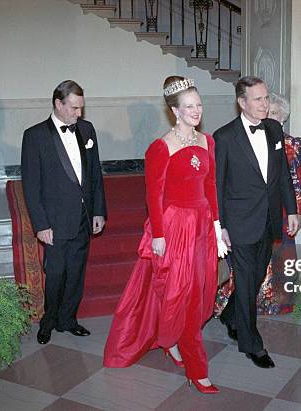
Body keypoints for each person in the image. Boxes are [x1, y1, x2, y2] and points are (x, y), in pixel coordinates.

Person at [103, 76, 227, 395]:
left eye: (199, 104)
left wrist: (217, 229)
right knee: (183, 296)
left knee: (200, 294)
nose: (196, 111)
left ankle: (170, 339)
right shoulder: (161, 147)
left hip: (202, 227)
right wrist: (158, 234)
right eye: (188, 106)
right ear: (174, 110)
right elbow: (153, 195)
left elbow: (211, 188)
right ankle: (197, 369)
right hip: (175, 228)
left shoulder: (208, 142)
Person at [214, 76, 299, 369]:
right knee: (248, 278)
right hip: (238, 222)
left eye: (266, 98)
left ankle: (229, 315)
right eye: (259, 99)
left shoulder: (274, 129)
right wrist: (220, 225)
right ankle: (252, 344)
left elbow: (283, 177)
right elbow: (217, 185)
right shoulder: (224, 137)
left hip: (269, 219)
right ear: (242, 102)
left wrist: (292, 210)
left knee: (256, 274)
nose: (266, 104)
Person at [21, 80, 106, 345]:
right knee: (56, 273)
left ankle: (68, 319)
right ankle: (48, 322)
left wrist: (98, 212)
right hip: (55, 222)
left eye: (81, 108)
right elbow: (31, 186)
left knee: (76, 272)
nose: (78, 114)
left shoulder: (87, 129)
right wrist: (41, 224)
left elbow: (94, 175)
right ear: (58, 104)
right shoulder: (35, 136)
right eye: (73, 108)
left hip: (83, 216)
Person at [257, 92, 301, 315]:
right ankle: (259, 299)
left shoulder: (293, 144)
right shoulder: (255, 139)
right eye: (268, 112)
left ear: (283, 118)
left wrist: (297, 211)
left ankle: (282, 301)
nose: (269, 115)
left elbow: (297, 181)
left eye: (275, 113)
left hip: (284, 210)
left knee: (283, 256)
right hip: (257, 209)